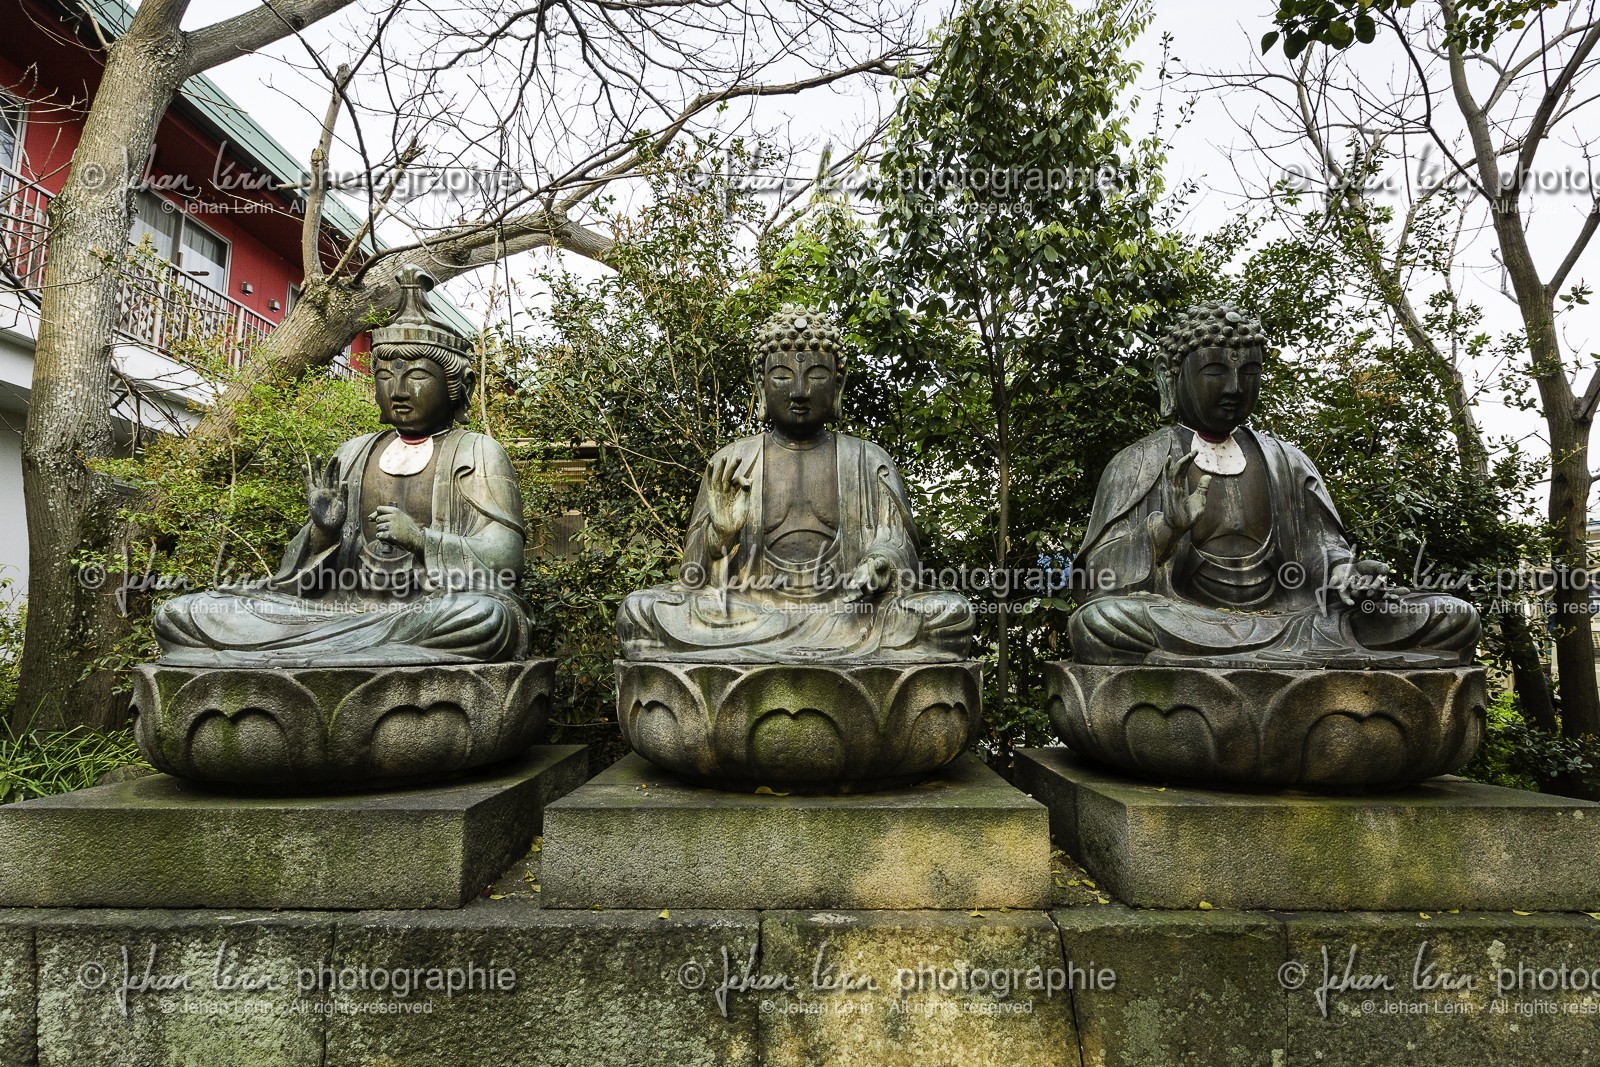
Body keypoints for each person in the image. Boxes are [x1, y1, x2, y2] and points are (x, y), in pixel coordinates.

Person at [152, 267, 531, 666]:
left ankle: (324, 654)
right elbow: (297, 580)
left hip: (425, 611)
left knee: (486, 618)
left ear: (458, 385)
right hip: (337, 608)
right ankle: (357, 654)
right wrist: (323, 531)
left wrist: (421, 541)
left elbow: (506, 559)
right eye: (384, 377)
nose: (398, 391)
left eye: (417, 377)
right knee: (184, 614)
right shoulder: (353, 453)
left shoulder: (476, 452)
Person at [1070, 301, 1479, 668]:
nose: (1234, 388)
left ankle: (1264, 665)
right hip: (1193, 621)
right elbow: (1100, 583)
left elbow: (1322, 551)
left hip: (1302, 621)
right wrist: (1166, 530)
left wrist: (1346, 574)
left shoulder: (1287, 461)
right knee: (1100, 623)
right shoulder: (1140, 462)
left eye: (1248, 373)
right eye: (1215, 371)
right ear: (1169, 376)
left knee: (1453, 614)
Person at [617, 305, 973, 662]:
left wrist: (881, 561)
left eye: (816, 376)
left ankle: (778, 653)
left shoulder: (868, 461)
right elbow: (693, 577)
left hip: (849, 613)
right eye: (783, 376)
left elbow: (898, 549)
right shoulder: (731, 462)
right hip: (751, 610)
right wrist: (719, 536)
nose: (800, 391)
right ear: (761, 385)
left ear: (838, 384)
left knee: (949, 614)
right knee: (640, 612)